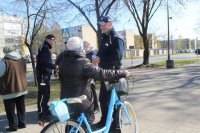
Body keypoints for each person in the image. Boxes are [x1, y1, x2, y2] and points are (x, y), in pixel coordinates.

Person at [56, 36, 129, 125]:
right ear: (80, 48)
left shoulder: (62, 61)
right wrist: (122, 73)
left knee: (71, 123)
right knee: (86, 122)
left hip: (66, 98)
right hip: (81, 100)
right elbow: (102, 74)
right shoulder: (82, 62)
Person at [92, 15, 125, 133]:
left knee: (115, 101)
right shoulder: (104, 37)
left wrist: (100, 60)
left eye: (104, 24)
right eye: (100, 25)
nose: (102, 27)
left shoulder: (116, 38)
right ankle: (104, 121)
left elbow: (117, 58)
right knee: (103, 99)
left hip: (113, 74)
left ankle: (116, 126)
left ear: (110, 23)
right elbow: (102, 52)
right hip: (104, 74)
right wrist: (96, 57)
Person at [0, 46, 27, 132]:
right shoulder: (22, 59)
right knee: (21, 107)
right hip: (22, 87)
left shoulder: (4, 61)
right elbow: (24, 70)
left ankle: (13, 126)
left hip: (9, 88)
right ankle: (22, 123)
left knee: (10, 109)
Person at [36, 34, 57, 122]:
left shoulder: (45, 47)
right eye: (53, 40)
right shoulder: (44, 47)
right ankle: (42, 113)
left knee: (45, 93)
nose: (54, 42)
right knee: (43, 93)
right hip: (42, 75)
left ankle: (45, 110)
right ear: (49, 40)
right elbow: (45, 61)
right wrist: (54, 66)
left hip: (45, 75)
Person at [83, 41, 99, 114]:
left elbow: (96, 63)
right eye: (83, 47)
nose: (84, 48)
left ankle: (96, 107)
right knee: (88, 92)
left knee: (92, 90)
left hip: (92, 75)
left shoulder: (92, 53)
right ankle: (89, 107)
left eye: (85, 47)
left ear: (88, 47)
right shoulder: (85, 54)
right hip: (87, 75)